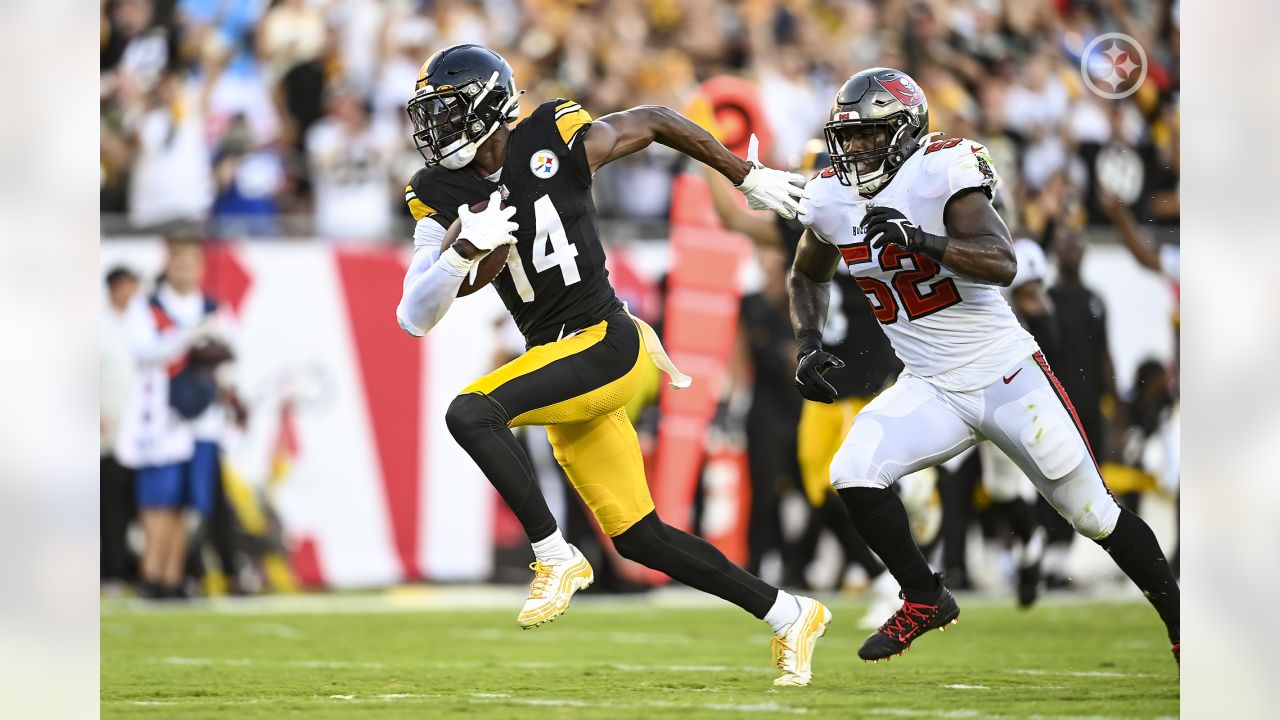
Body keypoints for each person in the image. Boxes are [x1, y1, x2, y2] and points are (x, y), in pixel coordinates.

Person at [394, 44, 827, 686]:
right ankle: (789, 613)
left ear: (487, 104)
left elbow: (654, 119)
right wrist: (461, 256)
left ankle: (553, 554)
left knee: (471, 411)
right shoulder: (438, 192)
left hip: (605, 341)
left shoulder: (548, 134)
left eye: (448, 110)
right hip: (561, 359)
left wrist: (745, 175)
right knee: (640, 537)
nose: (436, 128)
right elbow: (414, 313)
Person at [788, 67, 1180, 664]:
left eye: (869, 135)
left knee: (1094, 515)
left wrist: (921, 240)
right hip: (930, 385)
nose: (855, 149)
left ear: (904, 130)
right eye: (850, 136)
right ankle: (924, 595)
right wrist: (810, 339)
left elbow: (1001, 263)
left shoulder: (944, 170)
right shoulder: (831, 195)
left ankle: (1183, 627)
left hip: (1005, 375)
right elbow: (806, 274)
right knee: (853, 474)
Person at [704, 142, 904, 626]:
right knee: (822, 490)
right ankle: (880, 573)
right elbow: (733, 220)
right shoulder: (808, 225)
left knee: (868, 484)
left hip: (869, 379)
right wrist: (705, 151)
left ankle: (901, 579)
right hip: (829, 383)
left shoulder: (868, 217)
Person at [102, 267, 143, 591]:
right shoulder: (98, 326)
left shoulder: (139, 323)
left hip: (141, 431)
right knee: (110, 504)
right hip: (109, 430)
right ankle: (111, 571)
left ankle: (130, 566)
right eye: (130, 284)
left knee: (136, 503)